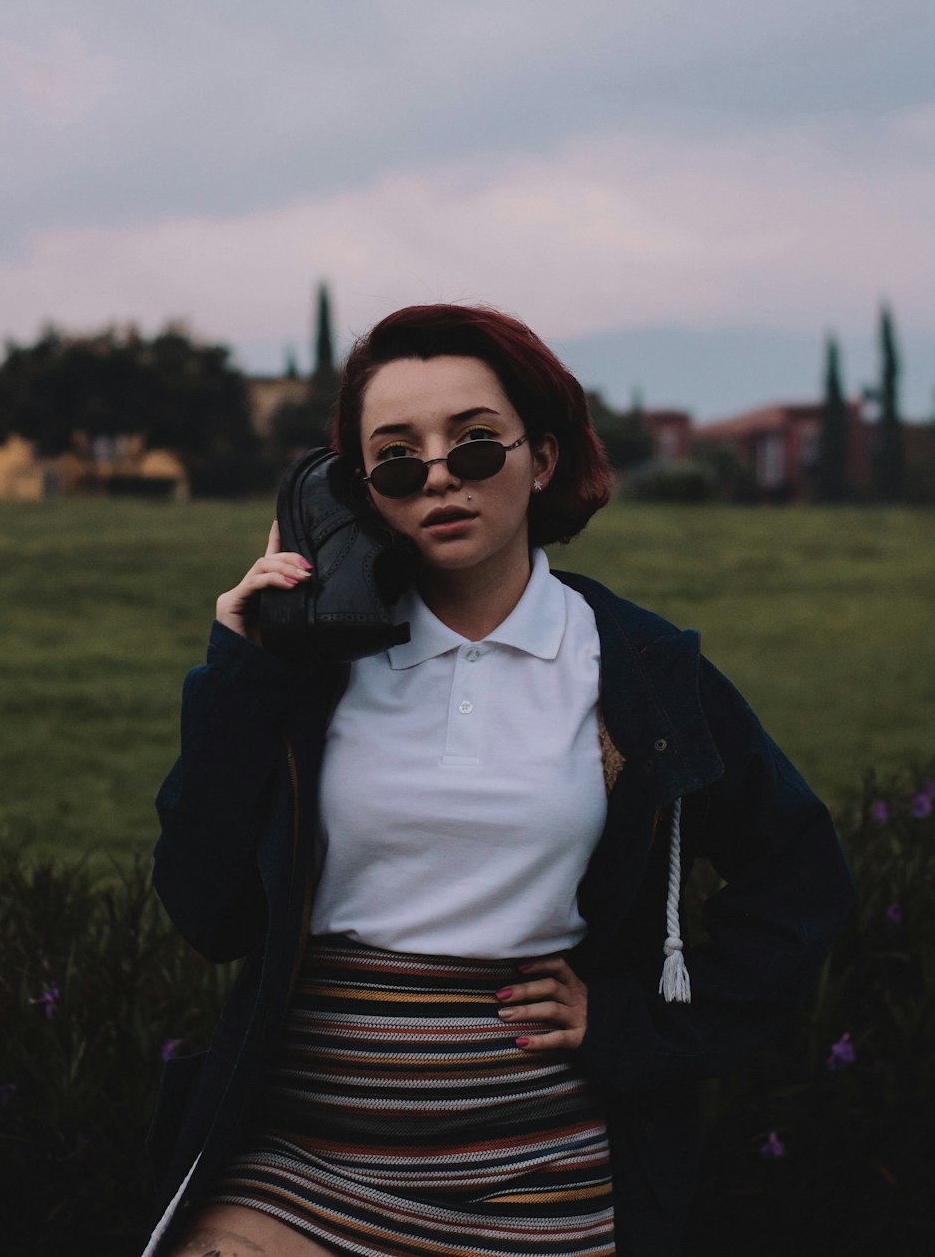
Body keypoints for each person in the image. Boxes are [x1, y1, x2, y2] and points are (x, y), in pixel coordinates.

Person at [142, 304, 852, 1257]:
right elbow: (207, 911)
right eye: (396, 458)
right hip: (302, 1165)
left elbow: (801, 878)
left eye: (475, 445)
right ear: (356, 492)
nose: (438, 476)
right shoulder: (305, 669)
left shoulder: (638, 669)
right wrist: (240, 662)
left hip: (533, 1176)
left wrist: (634, 1026)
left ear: (543, 458)